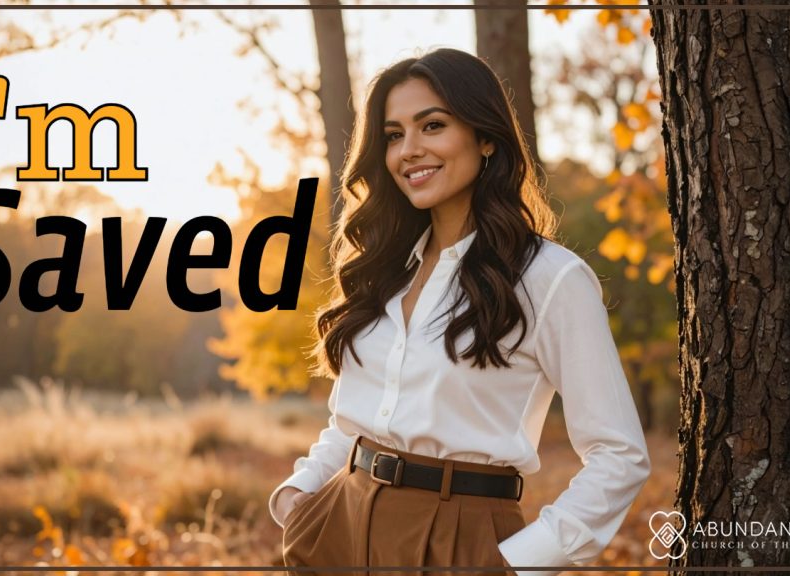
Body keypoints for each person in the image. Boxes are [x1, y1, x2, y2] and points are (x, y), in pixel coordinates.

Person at [268, 48, 651, 576]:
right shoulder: (382, 269)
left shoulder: (550, 277)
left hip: (460, 542)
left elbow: (619, 454)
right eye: (394, 135)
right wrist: (299, 497)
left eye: (433, 126)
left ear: (485, 137)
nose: (409, 150)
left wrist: (519, 563)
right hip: (339, 527)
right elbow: (353, 421)